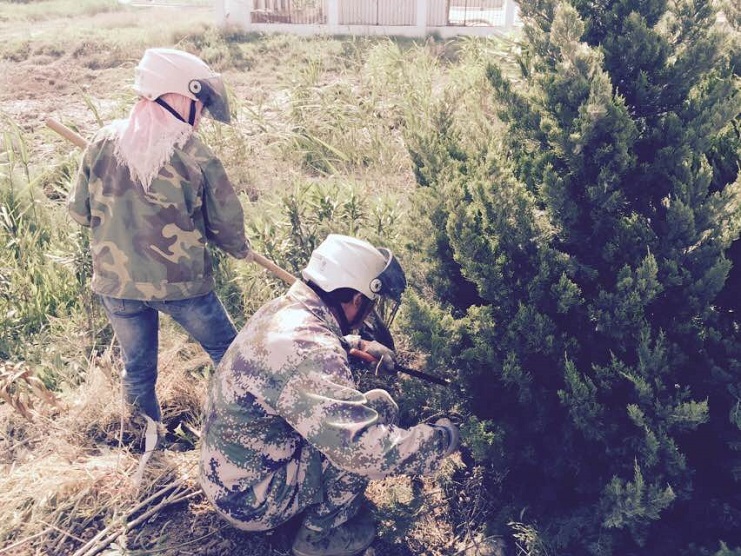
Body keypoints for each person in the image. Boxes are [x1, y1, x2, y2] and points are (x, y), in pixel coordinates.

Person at [199, 234, 460, 556]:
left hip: (230, 477)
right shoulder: (309, 350)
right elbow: (366, 450)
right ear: (356, 299)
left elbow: (296, 360)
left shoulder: (284, 311)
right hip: (250, 501)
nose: (369, 313)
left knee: (377, 405)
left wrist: (355, 345)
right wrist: (443, 439)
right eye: (370, 304)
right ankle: (317, 539)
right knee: (361, 439)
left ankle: (306, 506)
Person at [67, 47, 251, 433]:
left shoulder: (102, 142)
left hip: (118, 284)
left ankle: (145, 441)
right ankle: (241, 432)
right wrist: (239, 249)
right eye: (200, 104)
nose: (202, 114)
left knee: (137, 371)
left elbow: (80, 212)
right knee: (230, 356)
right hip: (181, 284)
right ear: (179, 95)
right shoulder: (195, 154)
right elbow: (225, 225)